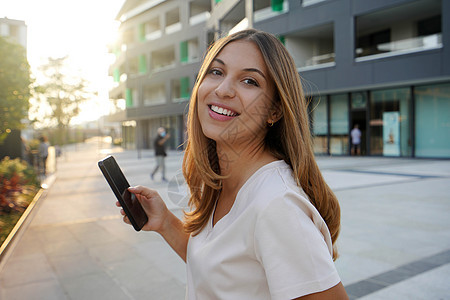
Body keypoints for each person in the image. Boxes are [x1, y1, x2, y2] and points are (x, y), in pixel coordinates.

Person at [118, 29, 348, 299]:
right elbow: (222, 276)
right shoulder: (224, 183)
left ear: (274, 111)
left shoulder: (277, 205)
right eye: (216, 72)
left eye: (249, 81)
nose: (223, 89)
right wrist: (165, 222)